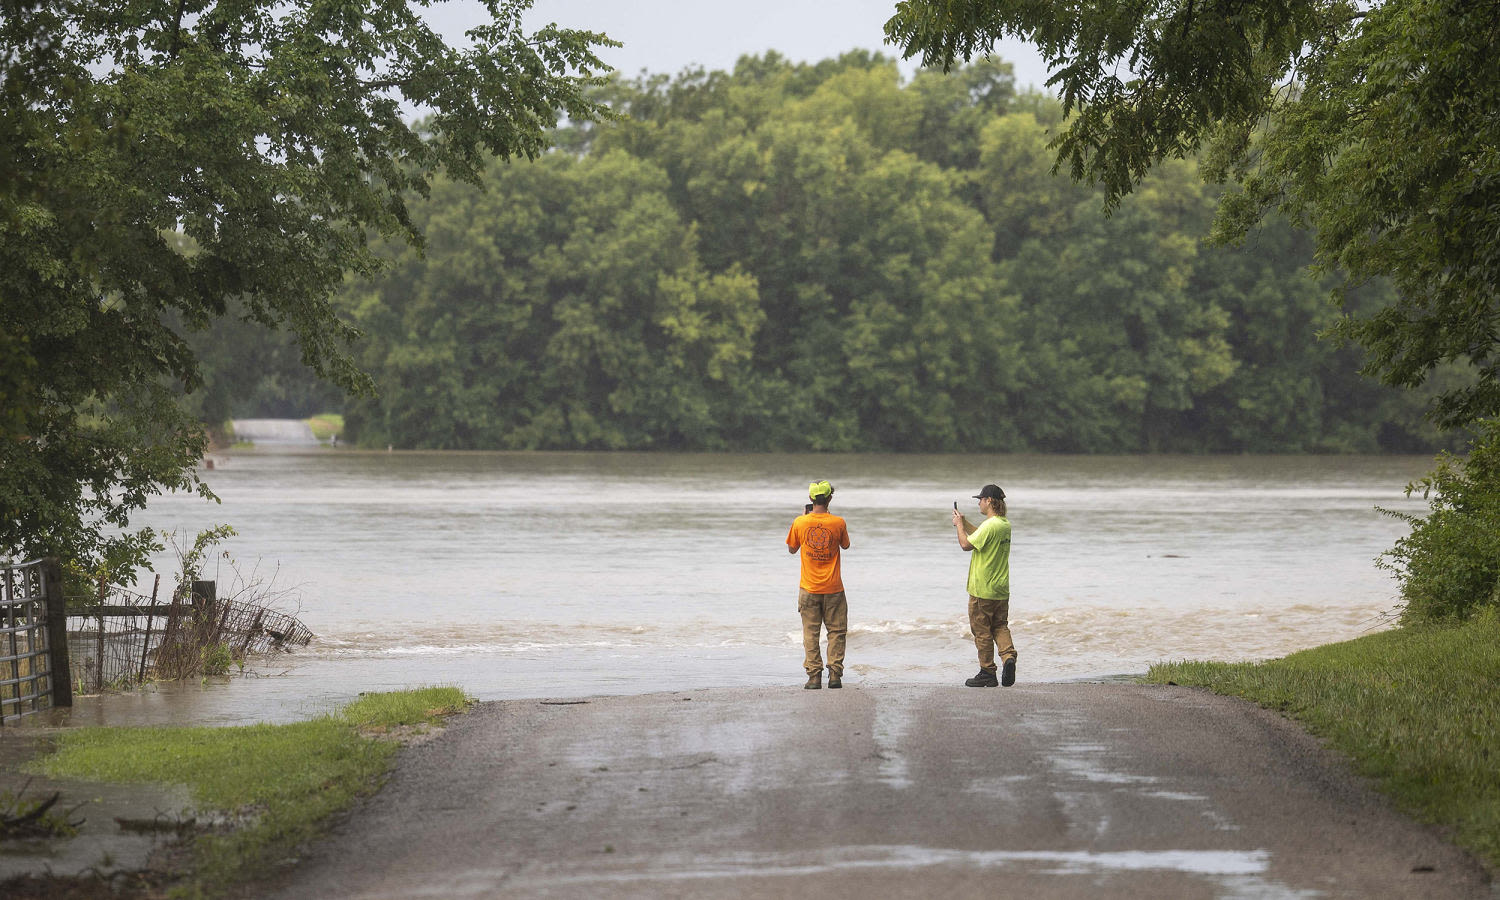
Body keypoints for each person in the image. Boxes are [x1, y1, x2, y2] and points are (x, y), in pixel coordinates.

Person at [786, 480, 850, 690]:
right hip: (833, 588)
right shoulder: (838, 522)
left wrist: (805, 520)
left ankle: (814, 678)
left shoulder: (800, 522)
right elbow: (845, 545)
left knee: (810, 634)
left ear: (811, 499)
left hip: (808, 588)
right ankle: (835, 676)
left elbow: (792, 549)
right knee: (836, 632)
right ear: (830, 498)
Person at [952, 483, 1016, 687]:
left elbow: (966, 545)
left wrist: (959, 527)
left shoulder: (991, 525)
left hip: (982, 590)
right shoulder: (1003, 524)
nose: (979, 503)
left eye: (980, 499)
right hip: (1000, 589)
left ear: (989, 501)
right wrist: (963, 521)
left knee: (982, 631)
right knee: (1000, 626)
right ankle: (1008, 658)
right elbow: (981, 534)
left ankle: (988, 672)